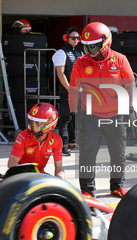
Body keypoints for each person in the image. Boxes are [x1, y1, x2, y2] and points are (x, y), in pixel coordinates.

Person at [68, 22, 136, 198]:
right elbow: (74, 89)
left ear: (106, 42)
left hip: (116, 115)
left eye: (95, 46)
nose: (91, 51)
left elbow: (129, 84)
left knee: (118, 152)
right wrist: (74, 113)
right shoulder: (81, 63)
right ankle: (87, 189)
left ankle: (117, 186)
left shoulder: (120, 59)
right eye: (87, 47)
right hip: (90, 115)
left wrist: (129, 109)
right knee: (87, 154)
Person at [7, 102, 65, 179]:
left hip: (38, 175)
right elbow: (11, 162)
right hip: (20, 175)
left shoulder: (57, 139)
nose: (33, 126)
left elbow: (59, 168)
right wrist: (29, 177)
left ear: (49, 125)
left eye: (37, 123)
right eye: (32, 122)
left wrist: (60, 182)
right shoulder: (23, 136)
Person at [52, 27, 83, 156]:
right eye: (73, 38)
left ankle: (72, 143)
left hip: (80, 91)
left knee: (77, 118)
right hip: (67, 92)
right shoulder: (61, 53)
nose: (76, 40)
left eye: (78, 38)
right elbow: (60, 74)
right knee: (65, 119)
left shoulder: (80, 53)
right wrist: (69, 89)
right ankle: (63, 146)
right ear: (66, 38)